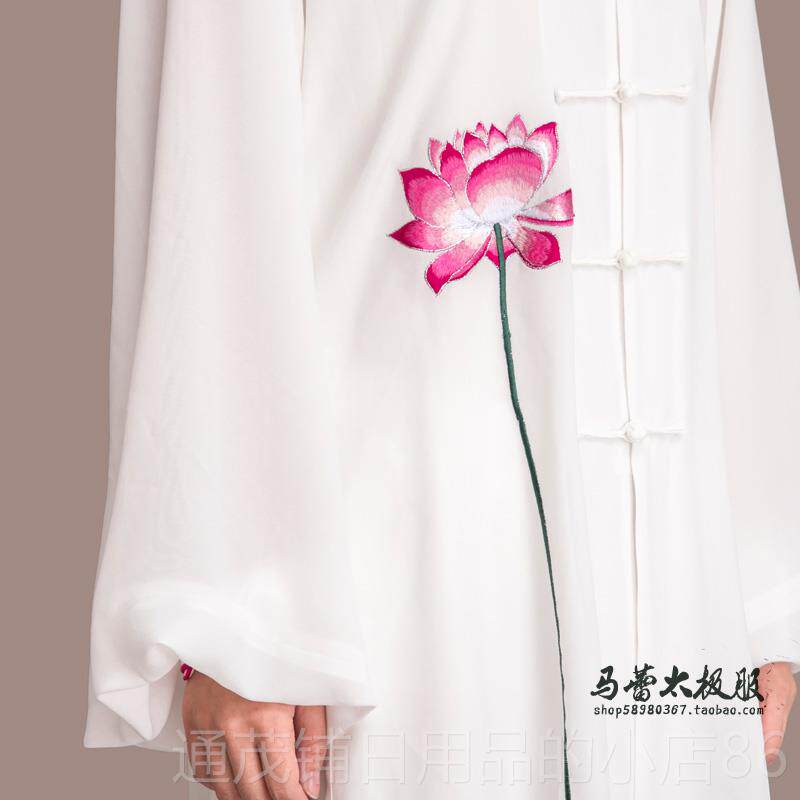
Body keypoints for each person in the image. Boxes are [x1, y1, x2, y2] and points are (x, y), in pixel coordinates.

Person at [86, 1, 800, 798]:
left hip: (678, 573)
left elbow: (729, 152)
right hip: (395, 560)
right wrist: (227, 604)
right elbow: (208, 157)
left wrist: (760, 584)